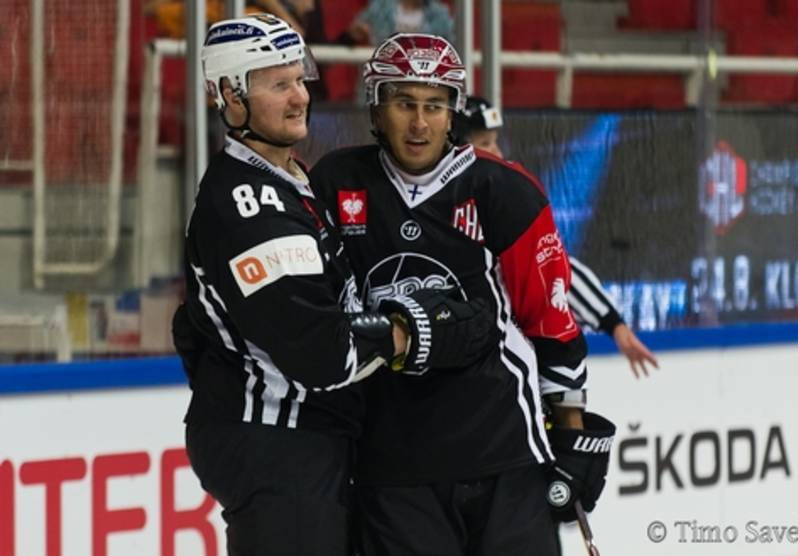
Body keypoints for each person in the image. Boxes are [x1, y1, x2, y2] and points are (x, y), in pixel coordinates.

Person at [173, 16, 496, 556]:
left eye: (300, 79)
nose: (300, 96)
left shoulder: (289, 178)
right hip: (278, 443)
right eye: (279, 85)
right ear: (230, 96)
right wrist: (413, 329)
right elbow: (322, 351)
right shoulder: (247, 205)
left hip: (301, 438)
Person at [310, 33, 615, 555]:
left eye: (434, 106)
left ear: (452, 113)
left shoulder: (505, 191)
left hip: (503, 451)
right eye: (404, 104)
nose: (420, 122)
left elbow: (549, 320)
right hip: (393, 464)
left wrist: (569, 430)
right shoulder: (337, 183)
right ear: (376, 109)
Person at [453, 95, 660, 378]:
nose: (498, 152)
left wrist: (614, 324)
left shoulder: (505, 199)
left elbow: (552, 270)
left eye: (495, 141)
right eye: (486, 143)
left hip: (494, 370)